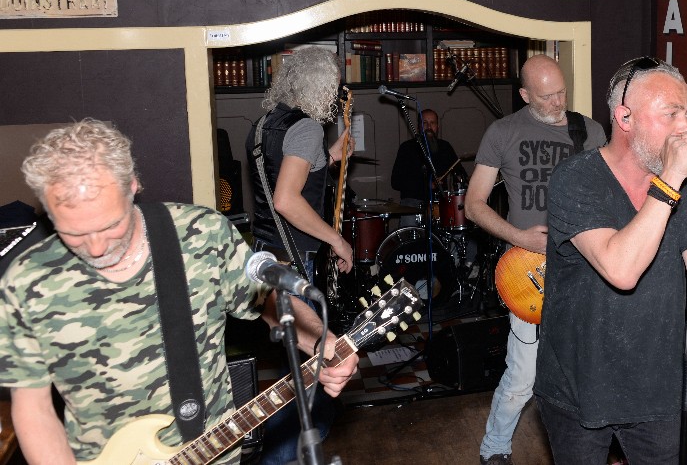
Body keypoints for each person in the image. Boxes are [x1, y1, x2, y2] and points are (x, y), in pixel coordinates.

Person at [0, 119, 357, 465]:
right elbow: (32, 406)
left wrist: (319, 341)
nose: (95, 248)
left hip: (210, 450)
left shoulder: (201, 237)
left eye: (110, 226)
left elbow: (268, 297)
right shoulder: (28, 281)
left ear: (133, 186)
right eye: (73, 233)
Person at [535, 57, 687, 464]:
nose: (685, 128)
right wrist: (669, 184)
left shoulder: (685, 188)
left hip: (656, 389)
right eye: (671, 114)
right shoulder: (576, 178)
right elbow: (621, 270)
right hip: (579, 387)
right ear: (624, 118)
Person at [465, 54, 606, 465]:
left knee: (589, 369)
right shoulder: (502, 133)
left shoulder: (590, 131)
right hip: (529, 273)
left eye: (562, 91)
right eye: (547, 96)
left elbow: (606, 195)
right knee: (523, 376)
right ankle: (494, 448)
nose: (558, 102)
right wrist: (520, 237)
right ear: (525, 94)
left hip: (585, 270)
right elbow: (474, 205)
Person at [243, 46, 355, 464]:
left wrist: (329, 158)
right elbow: (288, 200)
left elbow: (279, 180)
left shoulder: (263, 124)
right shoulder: (305, 127)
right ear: (320, 85)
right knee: (315, 383)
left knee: (299, 372)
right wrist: (338, 241)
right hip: (295, 262)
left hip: (265, 257)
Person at [390, 108, 465, 227]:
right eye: (425, 123)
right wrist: (427, 184)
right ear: (419, 126)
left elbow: (460, 173)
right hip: (413, 202)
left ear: (437, 127)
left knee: (458, 226)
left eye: (432, 123)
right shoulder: (407, 148)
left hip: (441, 202)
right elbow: (395, 182)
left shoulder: (445, 147)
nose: (429, 127)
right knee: (409, 223)